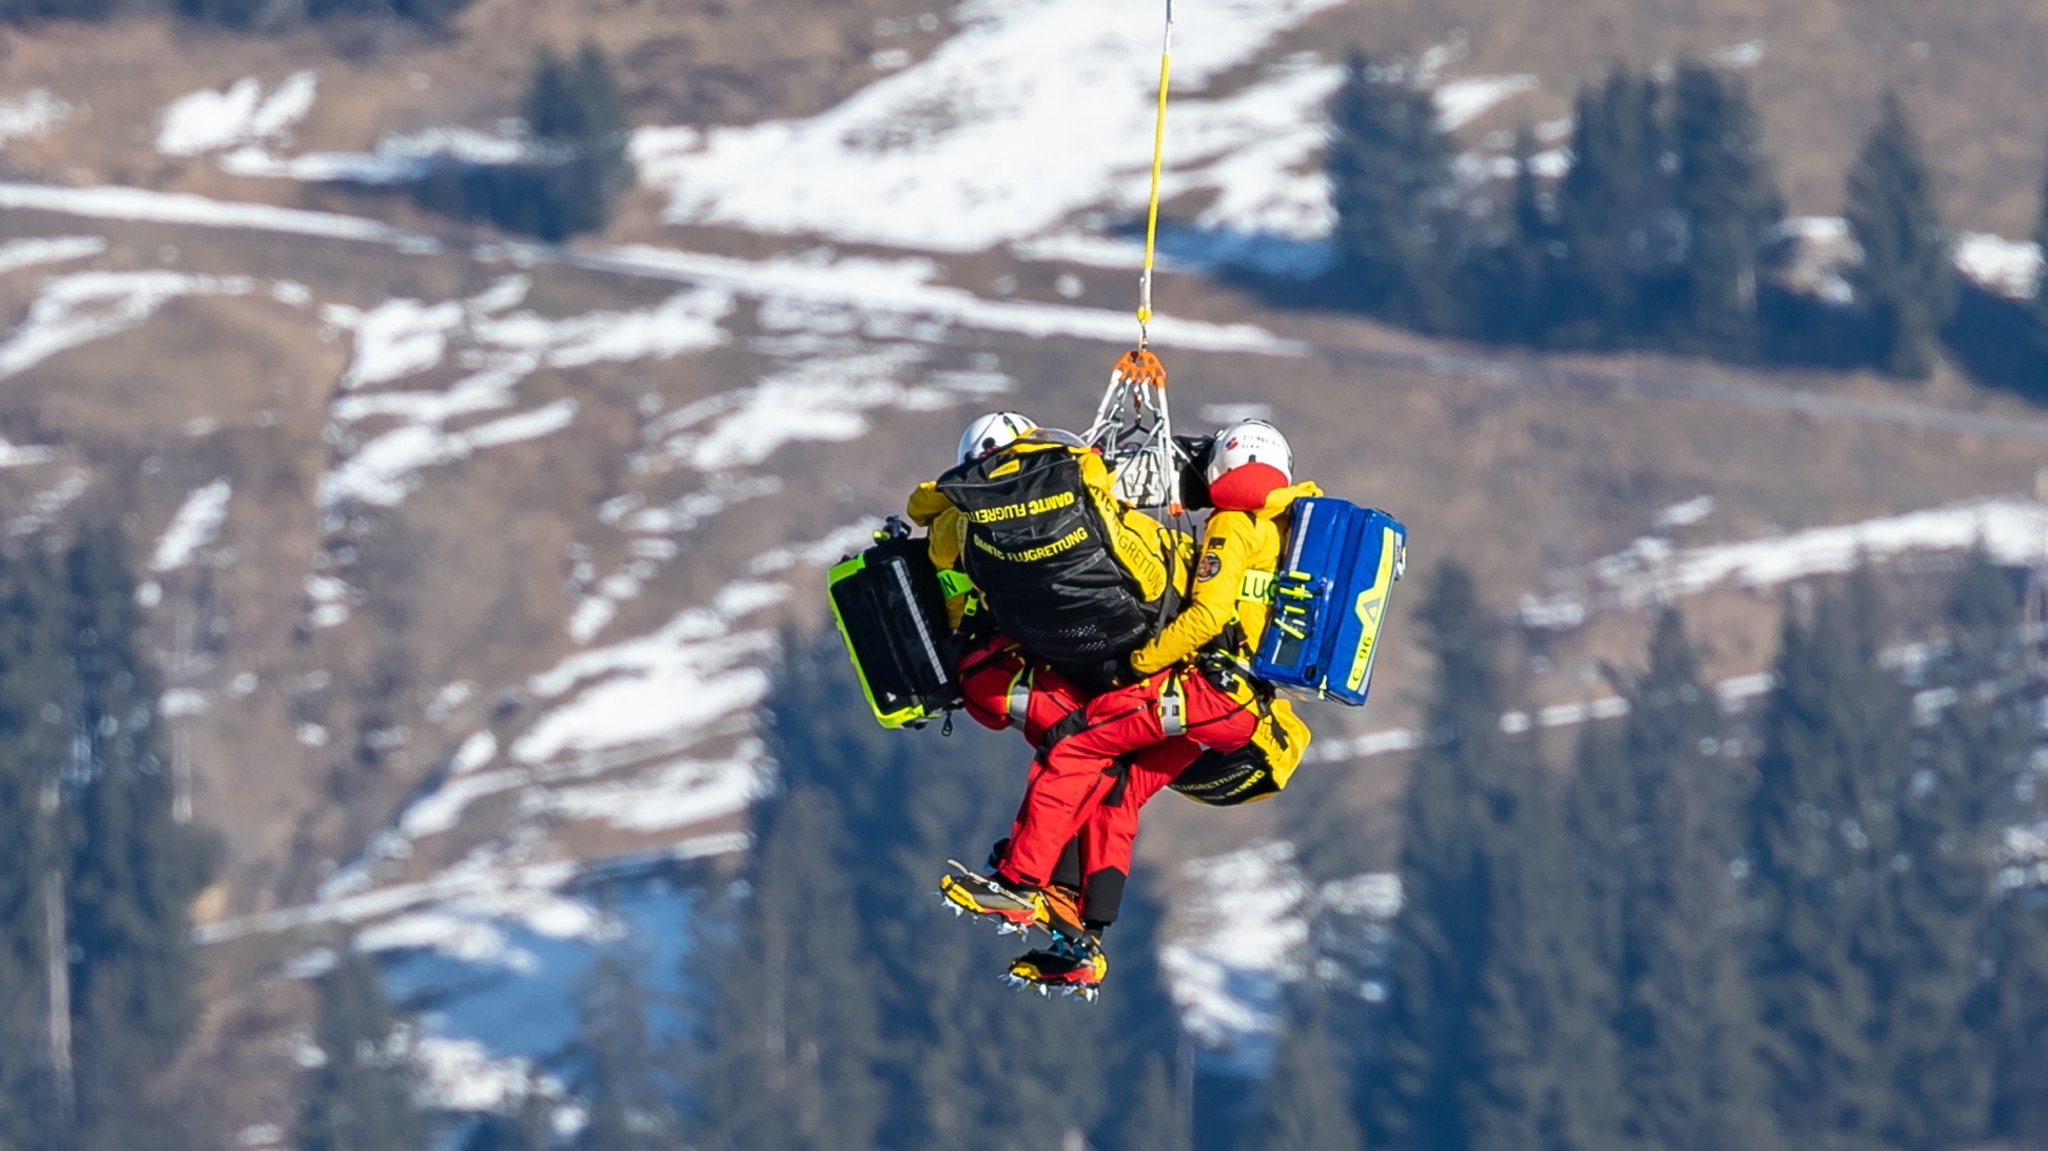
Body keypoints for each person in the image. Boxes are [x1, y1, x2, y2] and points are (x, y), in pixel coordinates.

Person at [940, 418, 1317, 993]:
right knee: (1119, 786)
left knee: (1075, 743)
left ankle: (1019, 883)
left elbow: (1209, 614)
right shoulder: (1288, 528)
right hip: (1239, 710)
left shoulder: (1234, 525)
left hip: (1203, 692)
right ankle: (1086, 935)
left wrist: (1142, 664)